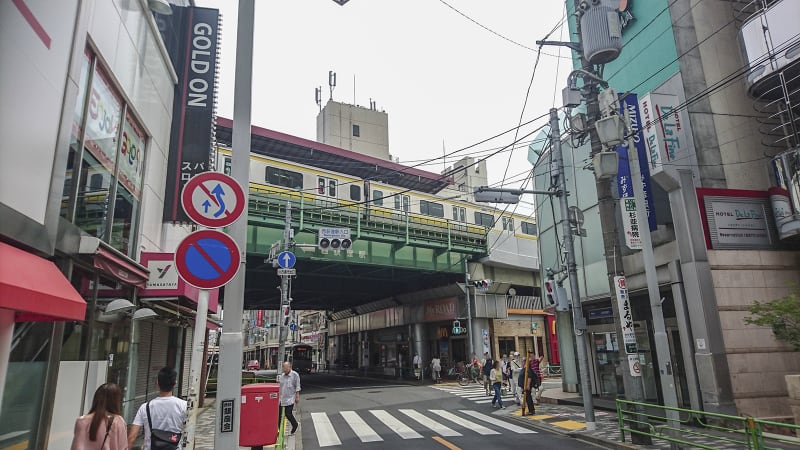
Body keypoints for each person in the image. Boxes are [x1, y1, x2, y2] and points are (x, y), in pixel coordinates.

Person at [128, 367, 187, 450]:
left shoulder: (145, 407)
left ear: (157, 383)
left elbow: (132, 437)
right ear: (175, 384)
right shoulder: (184, 406)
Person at [71, 383, 128, 450]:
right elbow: (122, 447)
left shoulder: (81, 421)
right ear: (116, 401)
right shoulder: (118, 422)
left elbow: (76, 447)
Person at [278, 361, 302, 435]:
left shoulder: (295, 375)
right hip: (282, 398)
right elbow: (280, 387)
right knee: (279, 415)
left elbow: (297, 386)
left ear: (289, 367)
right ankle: (279, 431)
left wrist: (297, 396)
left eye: (286, 368)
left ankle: (295, 424)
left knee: (288, 413)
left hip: (290, 397)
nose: (284, 370)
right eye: (283, 368)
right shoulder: (282, 376)